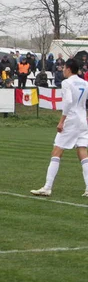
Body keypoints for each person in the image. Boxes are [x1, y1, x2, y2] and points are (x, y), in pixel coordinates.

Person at [31, 59, 88, 197]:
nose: (62, 70)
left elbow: (68, 101)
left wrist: (62, 121)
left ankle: (47, 187)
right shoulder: (85, 83)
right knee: (82, 151)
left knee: (57, 151)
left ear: (68, 69)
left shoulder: (66, 83)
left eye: (63, 68)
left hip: (71, 119)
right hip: (82, 119)